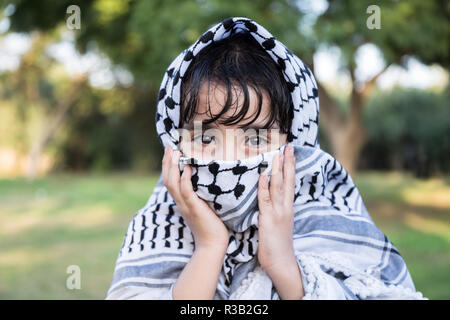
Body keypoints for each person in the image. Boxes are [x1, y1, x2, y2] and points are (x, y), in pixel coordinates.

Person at [106, 17, 425, 300]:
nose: (228, 159)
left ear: (294, 144)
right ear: (176, 144)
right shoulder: (159, 223)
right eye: (206, 138)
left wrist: (283, 263)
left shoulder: (327, 219)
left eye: (255, 138)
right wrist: (209, 247)